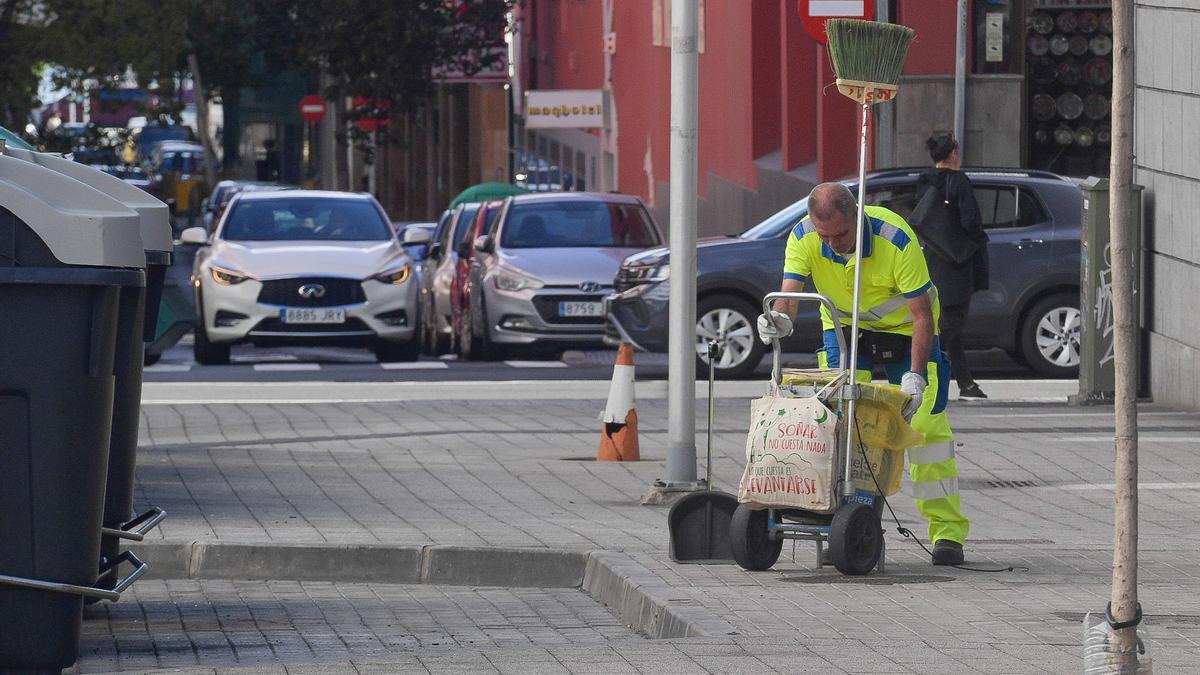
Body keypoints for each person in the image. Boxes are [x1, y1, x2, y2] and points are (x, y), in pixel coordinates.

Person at [756, 183, 969, 566]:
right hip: (845, 330)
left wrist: (916, 377)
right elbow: (790, 292)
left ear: (857, 216)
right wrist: (778, 320)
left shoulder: (895, 238)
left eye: (840, 234)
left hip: (906, 333)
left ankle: (947, 533)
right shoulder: (804, 236)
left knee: (927, 431)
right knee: (841, 425)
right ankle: (848, 520)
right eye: (825, 236)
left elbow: (923, 315)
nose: (833, 243)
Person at [916, 133, 990, 400]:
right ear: (954, 153)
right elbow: (971, 222)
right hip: (957, 265)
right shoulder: (959, 183)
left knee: (942, 325)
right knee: (951, 327)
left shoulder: (924, 183)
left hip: (931, 261)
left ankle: (964, 382)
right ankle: (929, 376)